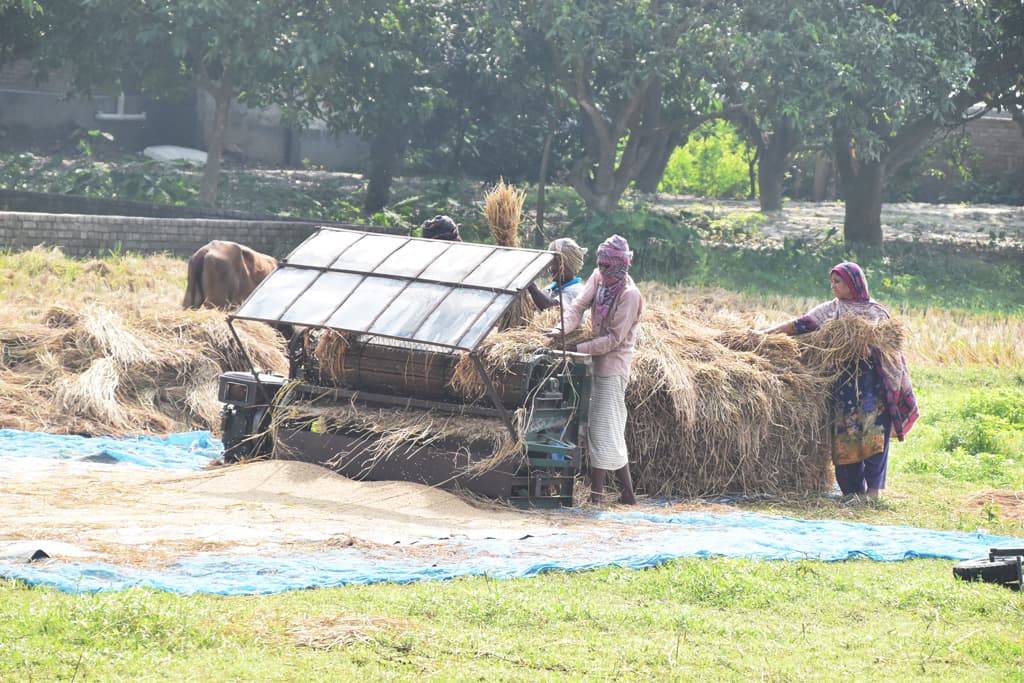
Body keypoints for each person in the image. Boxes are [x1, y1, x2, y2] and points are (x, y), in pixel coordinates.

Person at [756, 261, 919, 500]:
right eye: (831, 282)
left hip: (873, 385)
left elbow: (891, 351)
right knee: (845, 435)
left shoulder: (876, 313)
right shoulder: (831, 310)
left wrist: (867, 343)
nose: (833, 286)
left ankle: (872, 492)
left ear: (854, 283)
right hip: (843, 385)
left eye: (838, 282)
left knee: (874, 436)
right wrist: (764, 334)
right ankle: (851, 491)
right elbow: (799, 325)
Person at [549, 234, 643, 505]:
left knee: (602, 429)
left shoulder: (629, 295)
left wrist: (576, 350)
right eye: (599, 265)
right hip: (594, 361)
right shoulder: (598, 278)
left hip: (613, 366)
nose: (601, 271)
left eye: (606, 266)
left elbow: (614, 339)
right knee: (609, 429)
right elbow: (578, 306)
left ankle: (596, 496)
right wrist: (561, 329)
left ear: (621, 266)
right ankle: (627, 494)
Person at [527, 237, 588, 311]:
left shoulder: (577, 291)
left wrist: (530, 285)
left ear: (570, 265)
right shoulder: (549, 289)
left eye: (556, 264)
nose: (551, 269)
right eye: (550, 264)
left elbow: (552, 309)